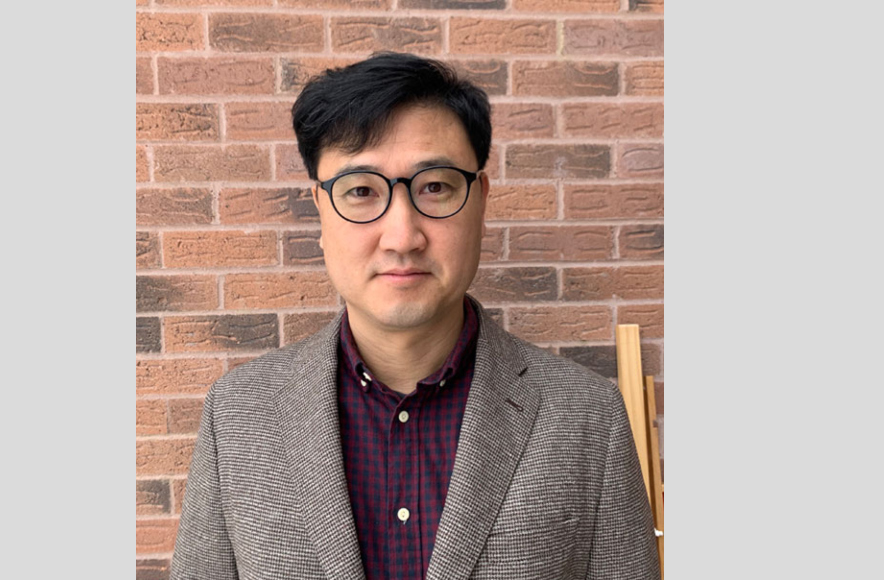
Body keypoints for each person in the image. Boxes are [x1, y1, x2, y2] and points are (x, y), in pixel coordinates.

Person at [170, 52, 659, 580]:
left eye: (435, 188)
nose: (403, 237)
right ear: (320, 209)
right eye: (361, 192)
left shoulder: (588, 414)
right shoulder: (238, 415)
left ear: (480, 201)